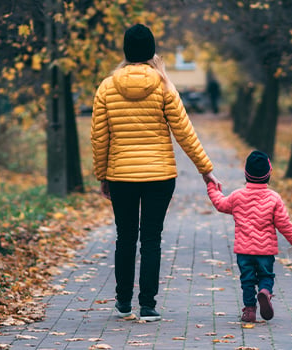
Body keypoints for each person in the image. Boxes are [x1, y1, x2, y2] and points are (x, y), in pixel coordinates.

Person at [91, 23, 221, 322]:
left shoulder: (107, 87)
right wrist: (206, 170)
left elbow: (100, 137)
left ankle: (123, 303)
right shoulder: (164, 86)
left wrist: (103, 175)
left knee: (125, 238)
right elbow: (185, 132)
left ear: (126, 50)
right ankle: (147, 306)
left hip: (121, 175)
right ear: (151, 51)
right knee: (151, 239)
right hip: (160, 177)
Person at [206, 150, 292, 322]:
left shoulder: (237, 196)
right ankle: (265, 292)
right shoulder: (274, 198)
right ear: (269, 174)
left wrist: (211, 187)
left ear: (246, 174)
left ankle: (250, 311)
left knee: (247, 280)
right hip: (265, 251)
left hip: (244, 251)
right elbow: (285, 225)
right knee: (266, 276)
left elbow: (221, 204)